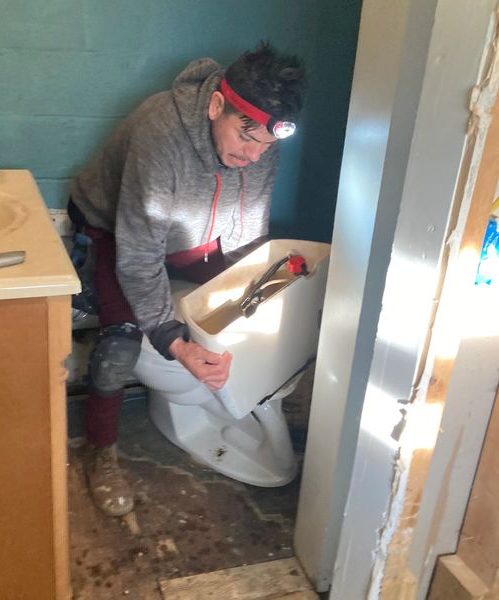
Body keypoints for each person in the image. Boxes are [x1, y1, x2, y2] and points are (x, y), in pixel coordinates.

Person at [68, 41, 306, 517]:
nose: (255, 155)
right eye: (246, 136)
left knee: (253, 301)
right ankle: (101, 450)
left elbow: (247, 233)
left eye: (267, 144)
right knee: (122, 341)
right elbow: (138, 257)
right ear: (217, 105)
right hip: (114, 225)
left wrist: (246, 308)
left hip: (197, 232)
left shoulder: (259, 146)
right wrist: (176, 343)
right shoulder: (161, 134)